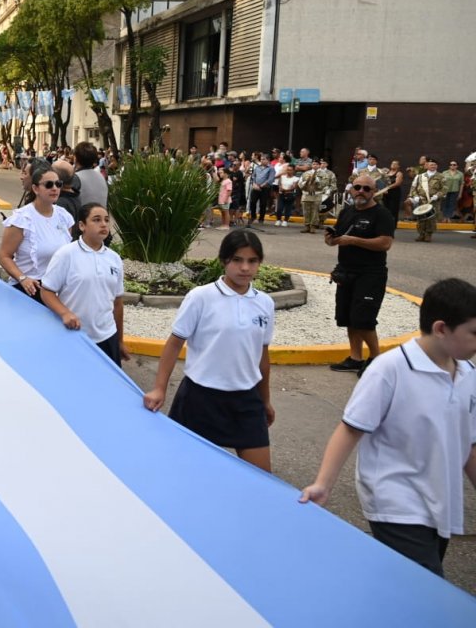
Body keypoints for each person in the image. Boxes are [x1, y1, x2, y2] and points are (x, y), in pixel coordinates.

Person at [299, 278, 476, 578]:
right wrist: (323, 484)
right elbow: (351, 428)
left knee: (406, 585)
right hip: (396, 501)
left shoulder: (468, 374)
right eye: (473, 333)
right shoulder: (390, 369)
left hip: (441, 502)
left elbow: (469, 444)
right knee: (425, 587)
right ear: (441, 328)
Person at [143, 230, 276, 471]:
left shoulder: (265, 303)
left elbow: (262, 356)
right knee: (185, 472)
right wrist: (159, 388)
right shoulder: (201, 297)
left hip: (246, 402)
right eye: (237, 260)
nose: (245, 268)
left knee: (263, 478)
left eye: (252, 261)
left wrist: (265, 400)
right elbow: (174, 344)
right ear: (224, 260)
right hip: (200, 400)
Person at [40, 203, 131, 367]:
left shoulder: (114, 258)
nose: (103, 224)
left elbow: (117, 302)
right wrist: (65, 313)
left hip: (107, 337)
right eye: (96, 220)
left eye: (106, 220)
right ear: (82, 225)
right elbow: (47, 291)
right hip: (74, 336)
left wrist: (119, 341)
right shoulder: (66, 254)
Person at [326, 173, 396, 374]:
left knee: (364, 319)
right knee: (349, 317)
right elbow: (336, 238)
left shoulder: (382, 214)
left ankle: (375, 359)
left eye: (366, 189)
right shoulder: (346, 212)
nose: (361, 192)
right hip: (346, 271)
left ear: (374, 192)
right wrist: (331, 239)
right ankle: (355, 358)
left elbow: (385, 243)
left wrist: (353, 240)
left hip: (370, 274)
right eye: (357, 187)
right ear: (351, 189)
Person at [0, 165, 74, 301]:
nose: (54, 188)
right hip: (30, 289)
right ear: (35, 188)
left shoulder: (64, 216)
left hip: (58, 288)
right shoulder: (22, 219)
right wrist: (23, 278)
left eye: (58, 184)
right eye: (48, 185)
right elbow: (4, 256)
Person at [405, 158, 445, 242]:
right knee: (421, 217)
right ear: (427, 166)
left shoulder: (441, 176)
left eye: (435, 165)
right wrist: (415, 196)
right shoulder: (420, 176)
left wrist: (437, 196)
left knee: (431, 218)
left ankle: (428, 234)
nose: (433, 166)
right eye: (431, 165)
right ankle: (421, 234)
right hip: (421, 200)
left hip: (433, 200)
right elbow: (413, 188)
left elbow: (444, 188)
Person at [297, 160, 325, 233]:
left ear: (319, 165)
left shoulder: (323, 174)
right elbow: (300, 183)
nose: (315, 165)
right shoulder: (306, 173)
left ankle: (313, 226)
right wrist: (306, 182)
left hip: (316, 195)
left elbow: (324, 184)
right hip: (306, 194)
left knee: (315, 211)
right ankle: (307, 226)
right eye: (313, 164)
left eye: (316, 164)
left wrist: (317, 180)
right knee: (306, 211)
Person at [247, 153, 274, 227]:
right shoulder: (257, 167)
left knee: (263, 204)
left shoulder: (271, 168)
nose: (261, 161)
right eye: (261, 159)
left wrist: (262, 185)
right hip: (256, 187)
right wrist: (254, 184)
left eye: (263, 159)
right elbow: (253, 176)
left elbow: (270, 179)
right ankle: (253, 216)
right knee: (252, 202)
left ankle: (261, 218)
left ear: (268, 160)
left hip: (265, 188)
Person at [274, 163, 300, 227]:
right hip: (281, 194)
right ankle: (278, 220)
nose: (289, 171)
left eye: (290, 170)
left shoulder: (296, 178)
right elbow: (279, 184)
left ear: (293, 171)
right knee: (279, 208)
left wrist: (286, 190)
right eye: (288, 170)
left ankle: (285, 221)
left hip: (290, 195)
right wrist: (282, 188)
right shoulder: (282, 177)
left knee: (288, 208)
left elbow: (294, 186)